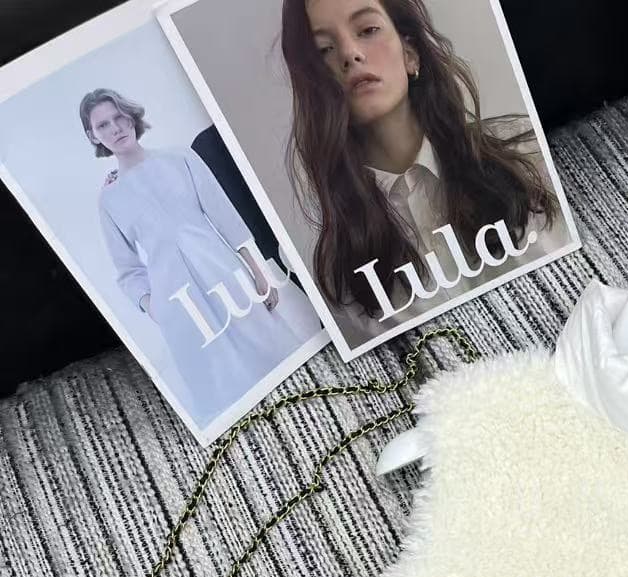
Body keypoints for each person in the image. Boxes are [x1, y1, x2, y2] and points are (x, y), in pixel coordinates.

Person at [280, 0, 572, 344]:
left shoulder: (525, 154)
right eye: (324, 49)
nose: (350, 54)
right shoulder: (342, 271)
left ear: (410, 55)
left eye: (368, 30)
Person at [84, 88, 303, 425]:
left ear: (131, 116)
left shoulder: (180, 158)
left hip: (225, 277)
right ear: (93, 136)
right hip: (179, 305)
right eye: (103, 125)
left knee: (276, 356)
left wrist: (258, 272)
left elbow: (225, 216)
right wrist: (155, 308)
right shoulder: (109, 200)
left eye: (118, 117)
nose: (115, 128)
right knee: (226, 394)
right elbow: (127, 270)